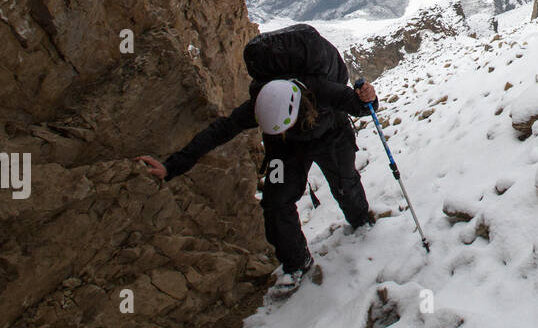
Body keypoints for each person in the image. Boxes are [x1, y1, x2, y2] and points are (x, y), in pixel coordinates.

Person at [137, 71, 380, 298]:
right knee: (275, 202)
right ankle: (296, 263)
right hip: (285, 146)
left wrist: (370, 96)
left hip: (331, 133)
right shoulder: (260, 104)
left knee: (344, 182)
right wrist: (171, 166)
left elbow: (362, 106)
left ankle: (360, 221)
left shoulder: (321, 89)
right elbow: (219, 131)